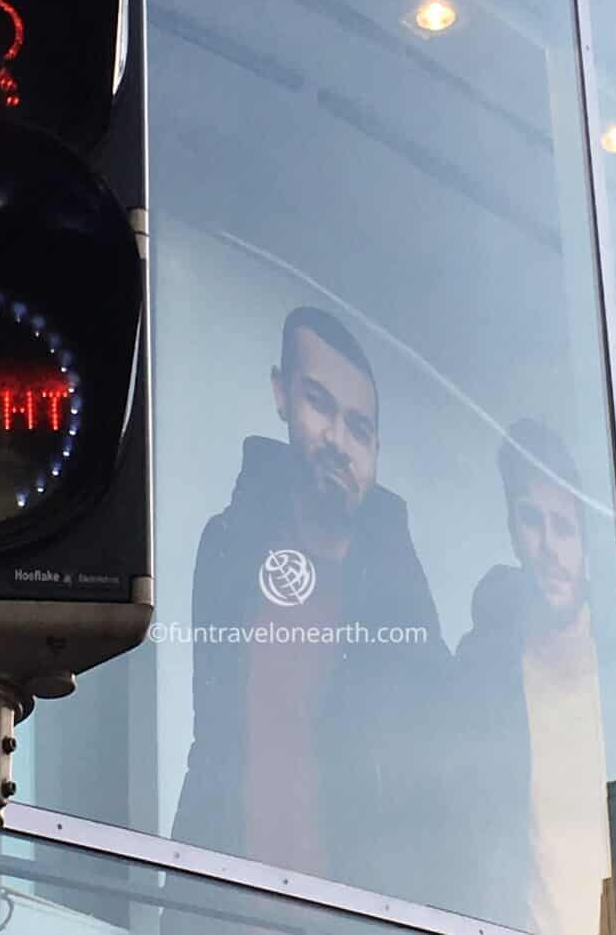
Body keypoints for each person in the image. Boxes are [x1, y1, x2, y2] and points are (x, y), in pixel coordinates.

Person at [169, 305, 446, 897]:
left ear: (375, 452)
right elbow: (211, 746)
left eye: (360, 429)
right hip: (238, 912)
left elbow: (439, 790)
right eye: (319, 404)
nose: (338, 442)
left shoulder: (401, 594)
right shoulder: (230, 548)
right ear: (281, 395)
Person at [447, 420, 614, 935]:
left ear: (587, 546)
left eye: (564, 528)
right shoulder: (480, 679)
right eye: (532, 522)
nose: (549, 547)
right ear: (512, 533)